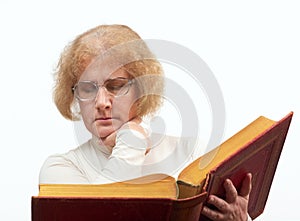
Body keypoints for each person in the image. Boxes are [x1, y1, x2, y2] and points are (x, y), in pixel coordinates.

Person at [39, 24, 252, 221]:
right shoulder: (60, 169)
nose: (102, 103)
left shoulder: (194, 153)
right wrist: (132, 140)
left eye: (115, 86)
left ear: (142, 90)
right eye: (88, 89)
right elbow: (105, 212)